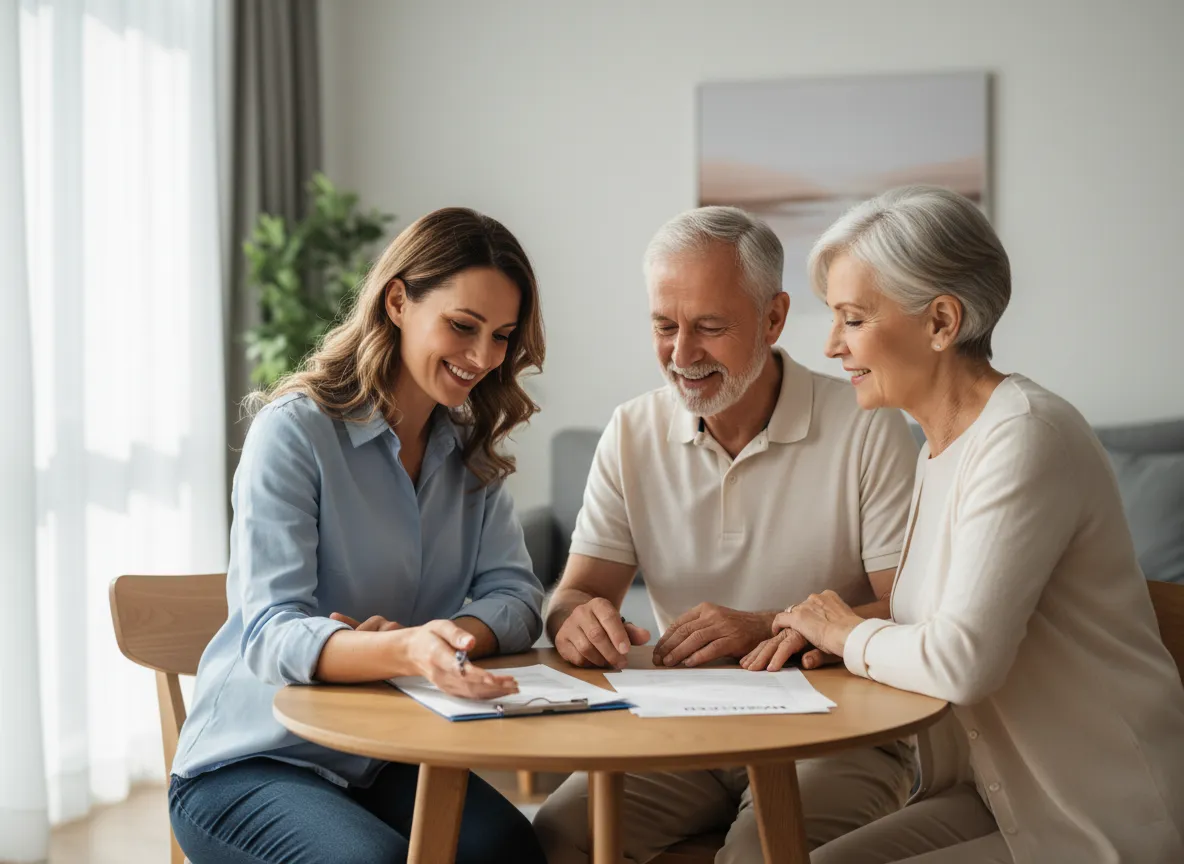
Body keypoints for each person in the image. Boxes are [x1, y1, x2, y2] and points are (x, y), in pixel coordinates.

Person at [756, 185, 1184, 863]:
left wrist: (847, 629)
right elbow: (929, 623)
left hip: (1096, 817)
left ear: (941, 322)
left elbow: (961, 663)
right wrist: (824, 634)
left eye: (853, 318)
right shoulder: (936, 449)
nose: (833, 344)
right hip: (998, 795)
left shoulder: (1026, 437)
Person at [533, 206, 922, 863]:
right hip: (681, 726)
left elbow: (909, 612)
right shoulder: (631, 430)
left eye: (709, 327)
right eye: (664, 327)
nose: (681, 356)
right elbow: (575, 594)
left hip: (839, 731)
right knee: (557, 837)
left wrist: (767, 624)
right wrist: (575, 619)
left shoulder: (866, 426)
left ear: (773, 318)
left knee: (756, 856)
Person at [168, 208, 549, 864]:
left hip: (383, 753)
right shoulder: (294, 434)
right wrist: (404, 649)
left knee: (511, 851)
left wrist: (446, 642)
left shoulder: (468, 454)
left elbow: (516, 599)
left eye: (501, 337)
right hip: (251, 762)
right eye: (462, 327)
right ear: (398, 300)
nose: (483, 358)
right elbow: (268, 634)